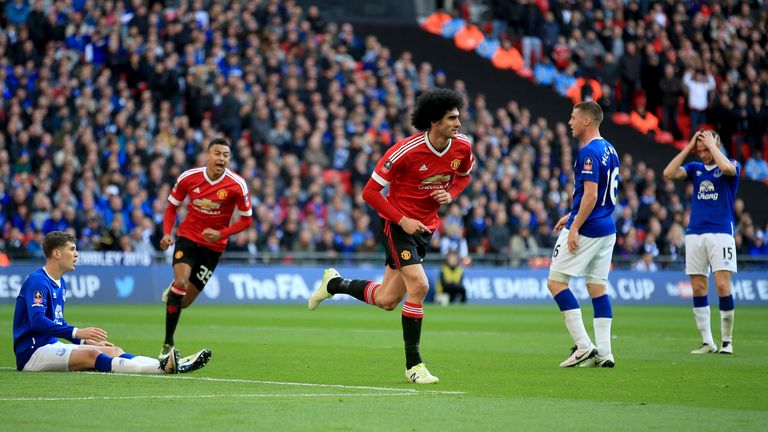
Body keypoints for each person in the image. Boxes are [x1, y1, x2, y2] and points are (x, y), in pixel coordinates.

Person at [308, 88, 474, 384]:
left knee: (387, 299)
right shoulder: (405, 152)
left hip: (425, 228)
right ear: (434, 121)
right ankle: (414, 365)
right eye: (452, 118)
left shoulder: (462, 147)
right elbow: (370, 192)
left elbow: (464, 176)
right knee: (420, 286)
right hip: (396, 225)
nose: (458, 124)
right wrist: (402, 219)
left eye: (459, 117)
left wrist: (450, 193)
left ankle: (333, 283)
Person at [12, 231, 210, 373]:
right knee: (93, 355)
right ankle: (160, 370)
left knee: (113, 350)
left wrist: (82, 340)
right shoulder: (38, 281)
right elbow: (37, 321)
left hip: (51, 345)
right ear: (56, 253)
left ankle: (165, 362)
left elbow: (56, 323)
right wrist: (76, 332)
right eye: (72, 249)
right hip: (32, 353)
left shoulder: (59, 282)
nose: (76, 254)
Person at [159, 137, 253, 360]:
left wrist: (222, 233)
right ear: (208, 156)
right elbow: (172, 207)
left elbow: (247, 220)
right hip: (188, 237)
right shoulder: (189, 177)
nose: (222, 158)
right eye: (218, 153)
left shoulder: (237, 184)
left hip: (214, 246)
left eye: (226, 155)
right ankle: (167, 344)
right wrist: (166, 232)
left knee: (185, 301)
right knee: (181, 283)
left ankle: (174, 292)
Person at [546, 101, 620, 368]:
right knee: (597, 287)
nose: (570, 122)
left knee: (556, 282)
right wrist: (572, 213)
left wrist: (574, 226)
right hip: (607, 227)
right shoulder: (610, 149)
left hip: (588, 229)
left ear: (586, 121)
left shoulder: (588, 152)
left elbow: (590, 194)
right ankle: (605, 352)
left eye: (573, 117)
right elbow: (599, 196)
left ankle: (584, 346)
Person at [662, 130, 740, 354]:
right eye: (701, 150)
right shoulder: (695, 169)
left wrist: (713, 145)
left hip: (721, 233)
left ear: (717, 146)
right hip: (695, 232)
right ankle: (707, 341)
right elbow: (668, 173)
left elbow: (726, 169)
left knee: (723, 285)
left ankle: (727, 341)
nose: (704, 153)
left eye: (707, 149)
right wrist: (688, 148)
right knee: (698, 286)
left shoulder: (730, 164)